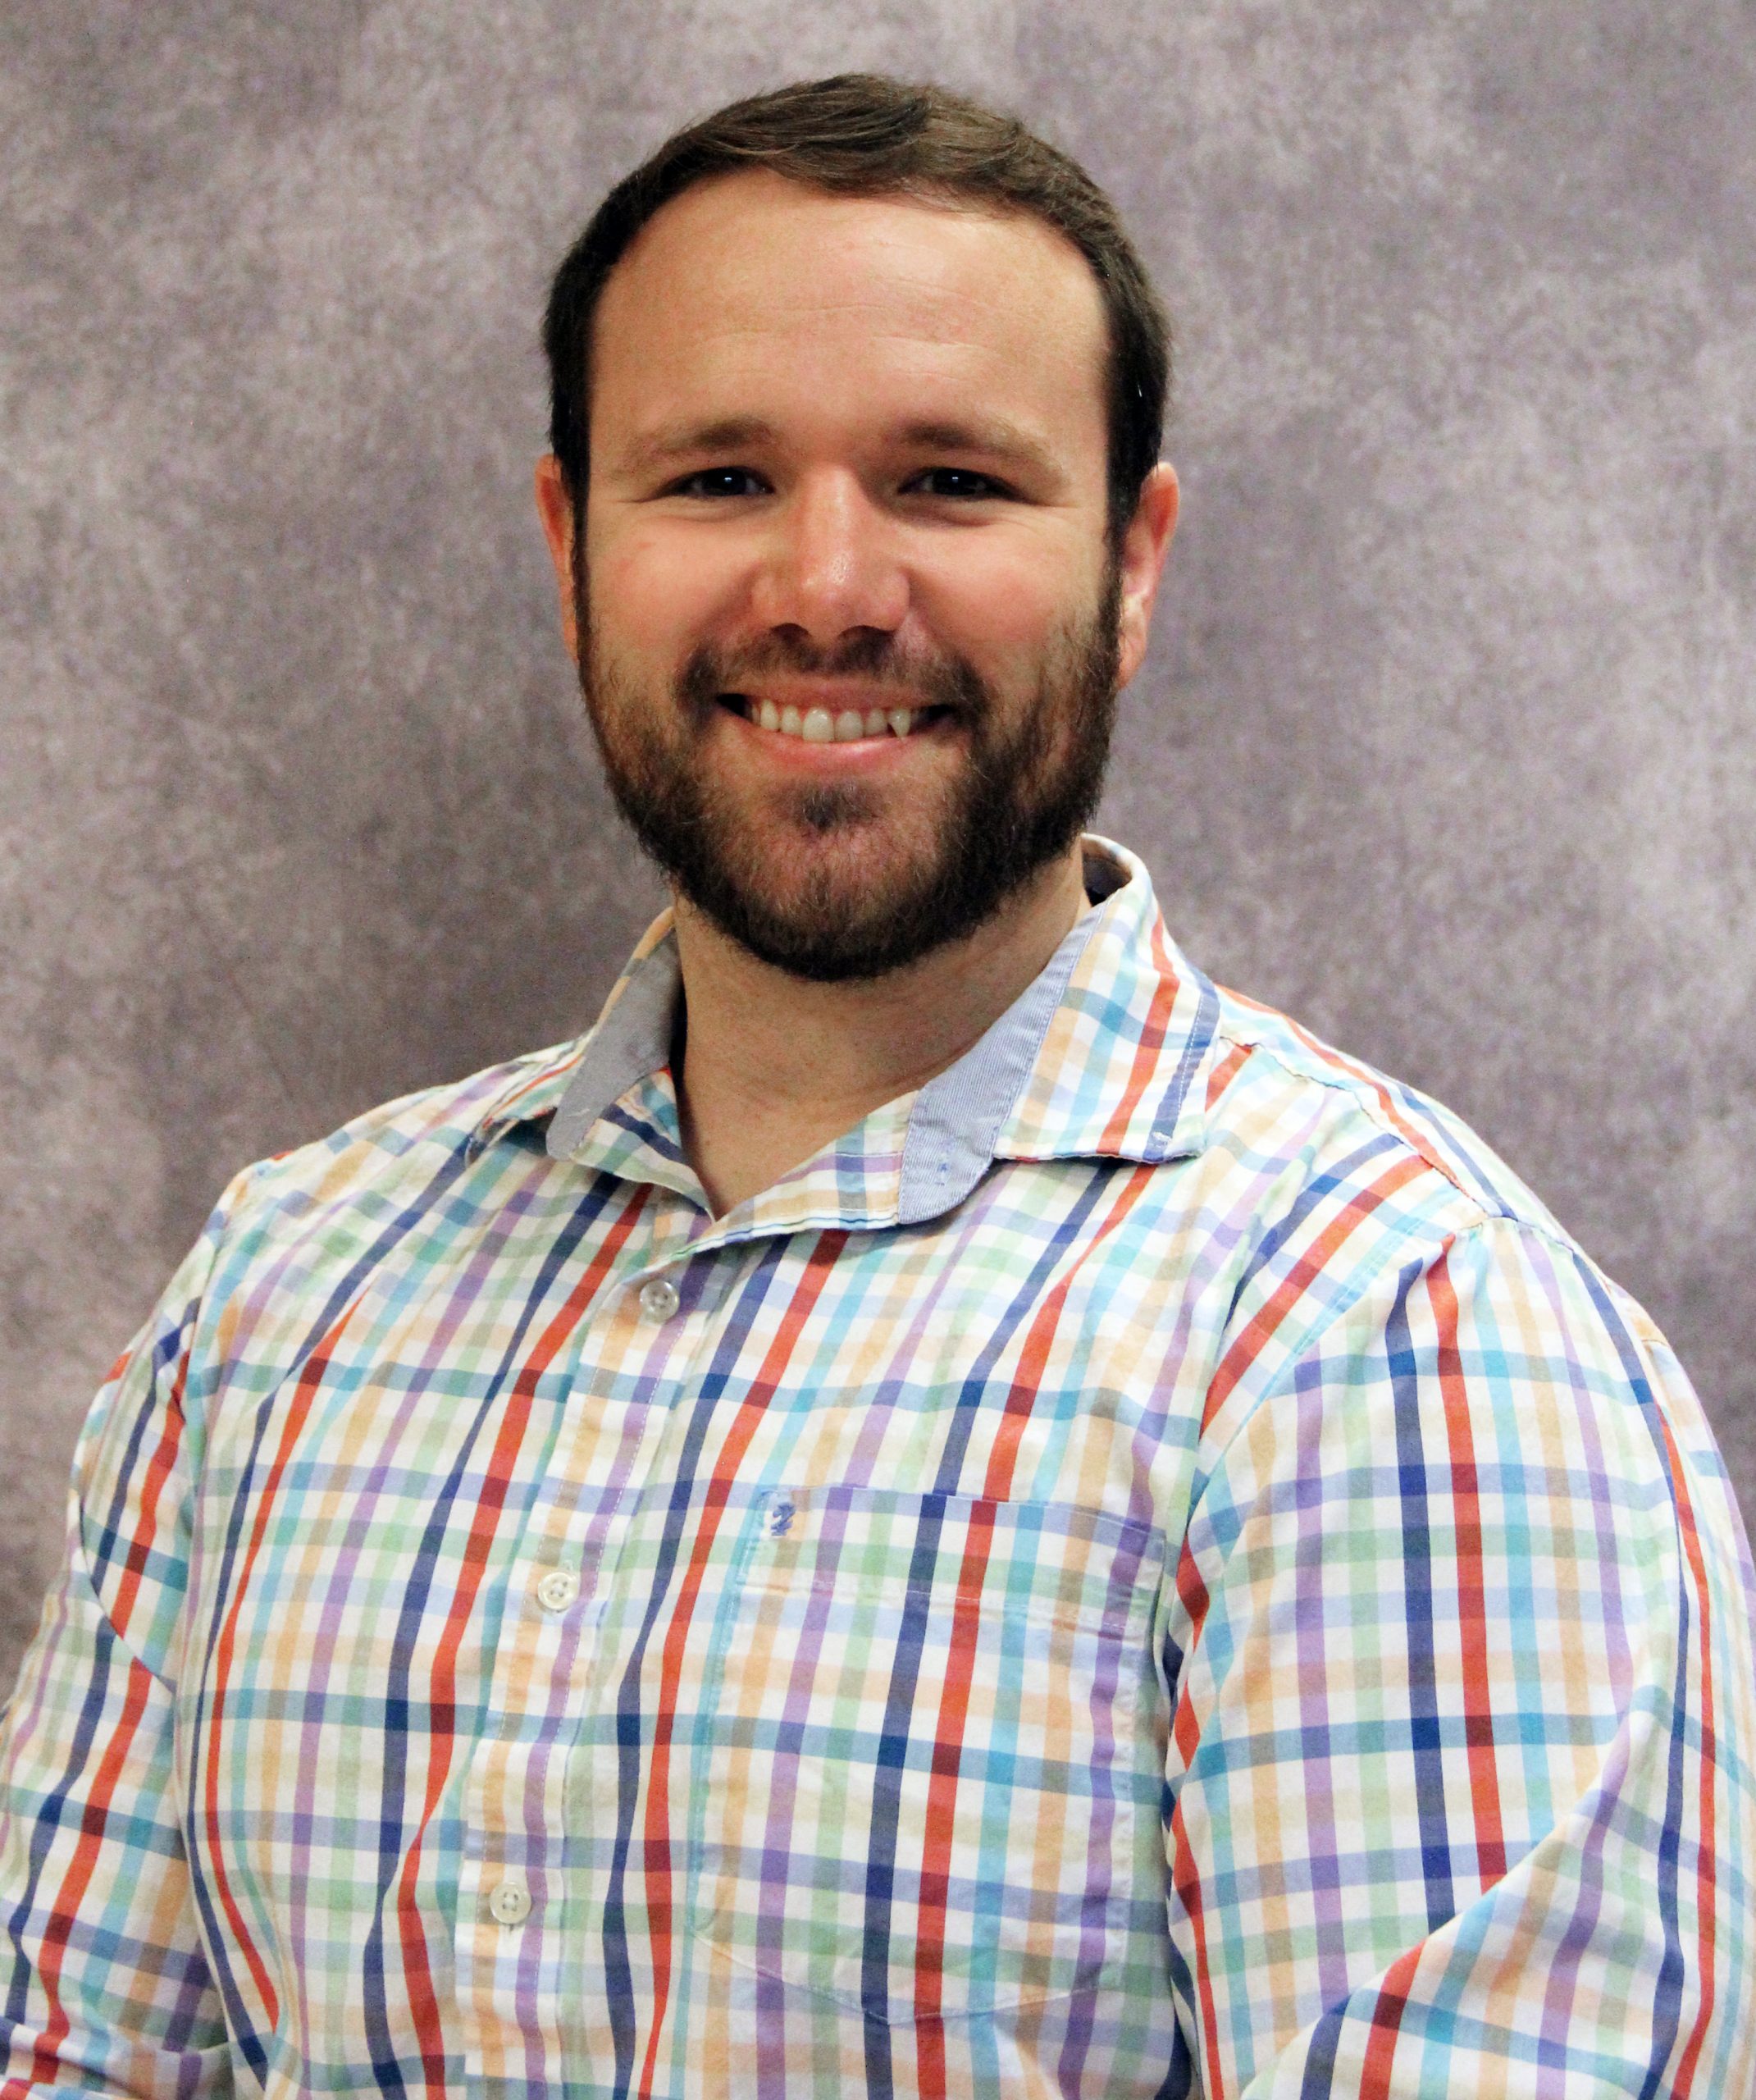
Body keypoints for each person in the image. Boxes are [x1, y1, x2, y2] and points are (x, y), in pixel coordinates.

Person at [1, 72, 1751, 2100]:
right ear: (572, 541)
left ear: (1134, 562)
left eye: (950, 482)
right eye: (720, 477)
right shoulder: (286, 1292)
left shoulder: (1406, 1348)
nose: (828, 585)